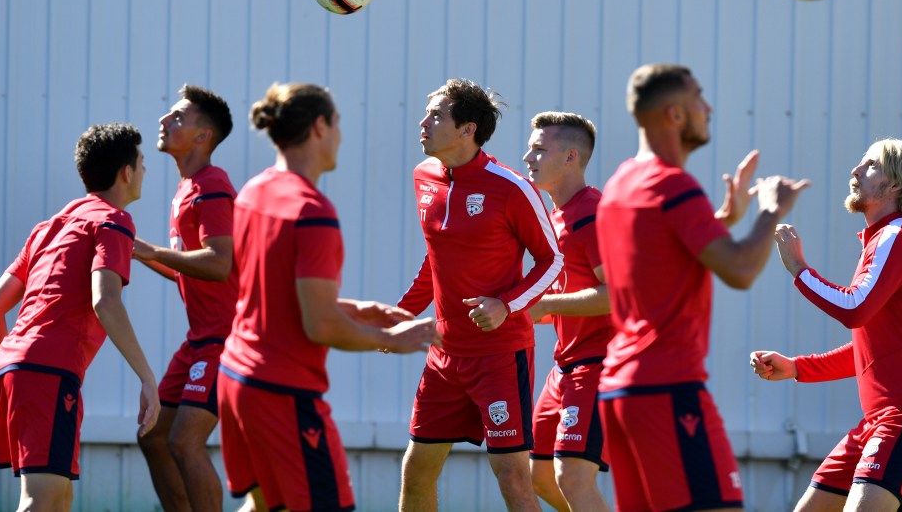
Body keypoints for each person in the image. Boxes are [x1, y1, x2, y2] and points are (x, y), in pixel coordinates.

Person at [217, 82, 440, 512]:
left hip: (235, 380)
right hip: (281, 394)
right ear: (320, 127)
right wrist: (395, 339)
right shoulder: (313, 211)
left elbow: (273, 297)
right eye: (337, 124)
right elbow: (320, 325)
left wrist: (358, 309)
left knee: (262, 505)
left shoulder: (253, 191)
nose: (340, 135)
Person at [596, 63, 808, 512]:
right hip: (668, 390)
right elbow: (740, 271)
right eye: (699, 99)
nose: (708, 108)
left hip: (620, 393)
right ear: (675, 114)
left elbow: (656, 258)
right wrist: (770, 210)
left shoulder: (620, 184)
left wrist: (720, 222)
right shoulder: (674, 185)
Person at [750, 139, 902, 512]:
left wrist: (798, 269)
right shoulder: (887, 240)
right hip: (879, 420)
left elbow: (854, 309)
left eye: (870, 165)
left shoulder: (896, 235)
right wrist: (797, 367)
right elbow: (869, 350)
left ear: (897, 186)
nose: (855, 171)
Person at [397, 78, 565, 512]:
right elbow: (436, 261)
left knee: (512, 477)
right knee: (416, 472)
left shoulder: (512, 188)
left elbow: (553, 262)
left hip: (499, 357)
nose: (423, 122)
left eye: (436, 115)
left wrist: (506, 305)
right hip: (443, 356)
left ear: (467, 129)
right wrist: (399, 316)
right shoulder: (423, 177)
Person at [0, 123, 160, 512]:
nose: (146, 170)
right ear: (126, 172)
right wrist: (147, 378)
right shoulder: (114, 219)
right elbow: (105, 302)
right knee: (40, 501)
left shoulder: (49, 227)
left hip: (16, 367)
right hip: (46, 371)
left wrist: (13, 371)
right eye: (143, 162)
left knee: (59, 499)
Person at [133, 85, 236, 512]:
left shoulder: (212, 183)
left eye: (178, 116)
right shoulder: (187, 188)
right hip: (200, 339)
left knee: (184, 441)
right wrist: (133, 249)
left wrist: (152, 251)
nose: (163, 121)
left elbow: (218, 263)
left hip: (227, 338)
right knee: (153, 436)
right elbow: (185, 269)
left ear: (203, 136)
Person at [522, 112, 613, 512]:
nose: (528, 156)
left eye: (540, 149)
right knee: (538, 477)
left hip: (600, 365)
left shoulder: (594, 213)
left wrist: (541, 304)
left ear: (571, 157)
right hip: (564, 368)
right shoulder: (557, 216)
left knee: (572, 476)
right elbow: (567, 297)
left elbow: (617, 295)